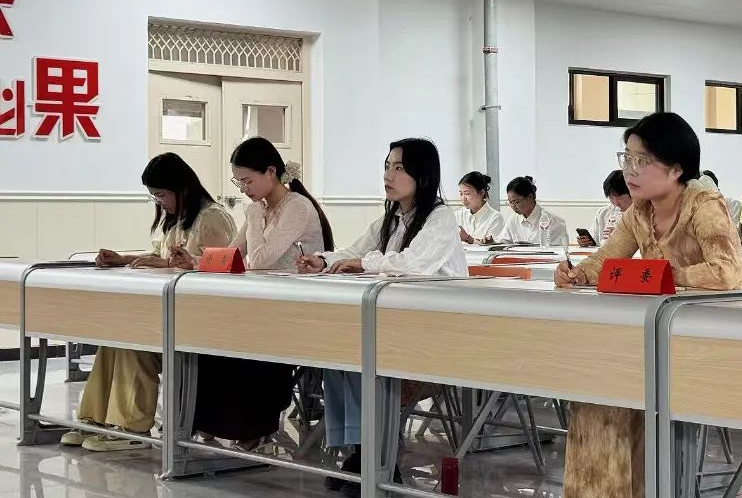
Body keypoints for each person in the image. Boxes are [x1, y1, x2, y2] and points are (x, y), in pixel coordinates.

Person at [555, 112, 742, 498]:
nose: (630, 169)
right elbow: (606, 260)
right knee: (596, 391)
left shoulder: (704, 205)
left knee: (617, 389)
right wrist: (576, 274)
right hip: (664, 334)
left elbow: (727, 273)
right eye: (626, 158)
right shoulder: (639, 211)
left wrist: (660, 275)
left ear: (676, 169)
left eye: (642, 160)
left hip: (719, 337)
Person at [296, 139, 466, 495]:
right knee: (339, 356)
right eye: (387, 166)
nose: (388, 175)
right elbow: (354, 250)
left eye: (399, 168)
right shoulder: (391, 218)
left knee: (366, 359)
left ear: (422, 174)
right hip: (395, 326)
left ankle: (373, 457)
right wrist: (322, 260)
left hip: (435, 332)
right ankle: (361, 452)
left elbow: (414, 265)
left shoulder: (440, 218)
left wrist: (363, 263)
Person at [62, 154, 235, 452]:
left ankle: (132, 427)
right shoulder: (178, 219)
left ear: (183, 188)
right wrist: (123, 259)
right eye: (154, 196)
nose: (159, 202)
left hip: (201, 322)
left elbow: (223, 266)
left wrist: (174, 263)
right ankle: (96, 419)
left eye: (162, 194)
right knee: (114, 339)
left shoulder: (212, 218)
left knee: (134, 344)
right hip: (174, 314)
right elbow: (162, 257)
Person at [179, 137, 333, 450]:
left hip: (297, 307)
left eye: (248, 181)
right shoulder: (258, 209)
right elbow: (231, 254)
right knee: (208, 337)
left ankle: (253, 428)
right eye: (239, 182)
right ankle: (210, 421)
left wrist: (253, 216)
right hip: (263, 302)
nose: (243, 189)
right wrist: (194, 261)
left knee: (249, 342)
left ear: (271, 172)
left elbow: (261, 260)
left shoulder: (297, 207)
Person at [496, 176, 568, 246]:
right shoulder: (513, 219)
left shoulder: (553, 221)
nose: (513, 206)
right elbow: (502, 242)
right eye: (510, 202)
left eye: (516, 202)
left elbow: (557, 250)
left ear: (530, 197)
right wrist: (493, 242)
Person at [578, 170, 632, 247]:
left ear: (632, 193)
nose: (616, 203)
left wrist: (622, 236)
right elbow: (595, 238)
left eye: (620, 197)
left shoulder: (644, 214)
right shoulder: (603, 213)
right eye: (611, 198)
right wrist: (586, 241)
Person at [455, 171, 505, 245]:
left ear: (481, 193)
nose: (463, 198)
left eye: (467, 193)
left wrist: (469, 239)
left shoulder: (495, 218)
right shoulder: (459, 215)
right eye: (461, 194)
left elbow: (493, 248)